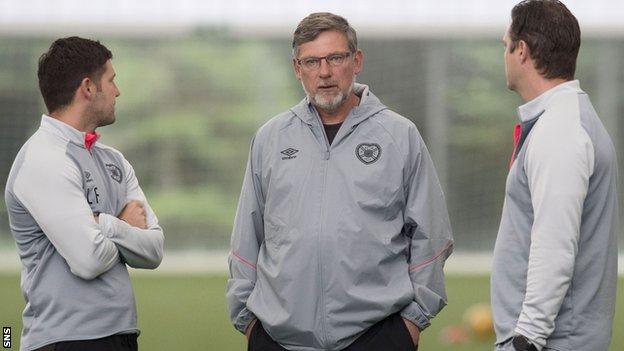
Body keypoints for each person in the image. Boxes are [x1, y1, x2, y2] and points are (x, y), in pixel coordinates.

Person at [227, 12, 453, 351]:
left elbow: (431, 236)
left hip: (378, 336)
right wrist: (248, 323)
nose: (325, 72)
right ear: (297, 68)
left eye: (336, 58)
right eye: (312, 61)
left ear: (356, 60)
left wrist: (411, 323)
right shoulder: (270, 139)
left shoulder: (399, 135)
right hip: (277, 339)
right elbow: (247, 237)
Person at [4, 37, 164, 351]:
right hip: (64, 340)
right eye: (112, 80)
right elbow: (88, 260)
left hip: (121, 335)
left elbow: (154, 249)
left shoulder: (114, 160)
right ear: (88, 88)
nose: (118, 91)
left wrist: (104, 224)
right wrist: (124, 226)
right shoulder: (43, 158)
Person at [491, 1, 618, 350]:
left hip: (549, 343)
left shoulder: (561, 130)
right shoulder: (560, 120)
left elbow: (555, 244)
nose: (504, 52)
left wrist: (526, 338)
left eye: (506, 45)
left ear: (522, 51)